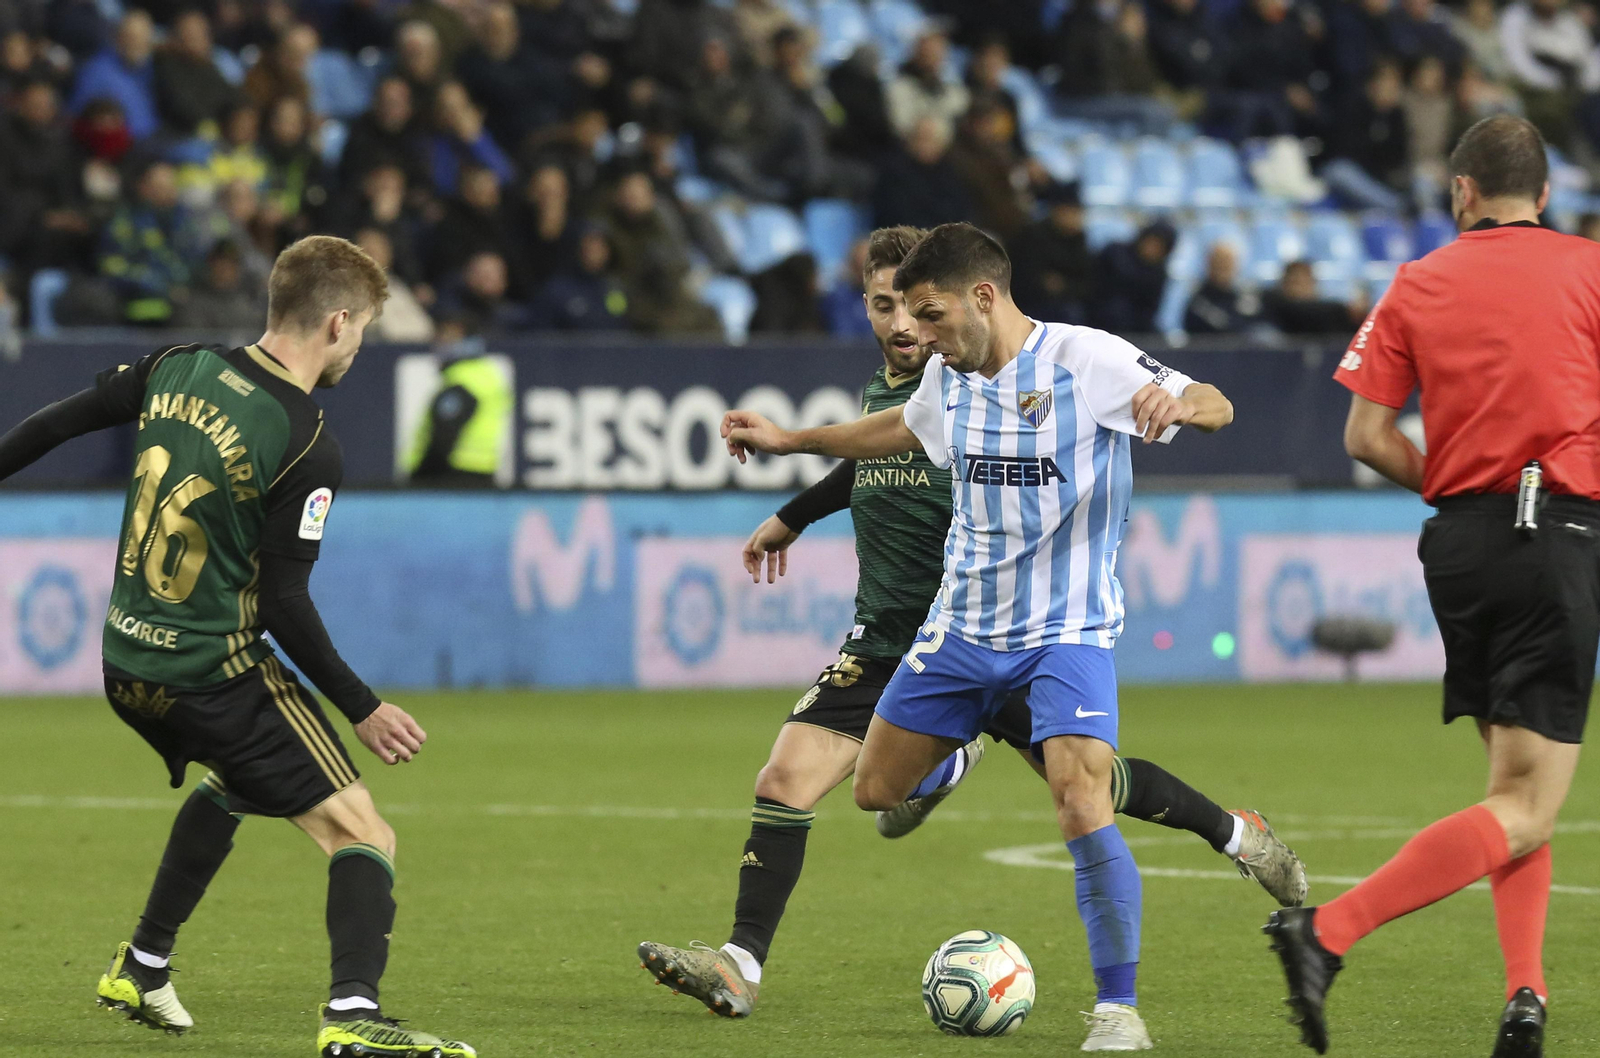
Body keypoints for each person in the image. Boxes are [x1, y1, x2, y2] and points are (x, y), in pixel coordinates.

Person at [717, 222, 1238, 1049]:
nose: (917, 335)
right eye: (905, 317)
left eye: (929, 315)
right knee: (875, 792)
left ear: (982, 299)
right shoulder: (947, 379)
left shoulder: (1085, 360)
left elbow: (1218, 402)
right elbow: (892, 432)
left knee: (1079, 796)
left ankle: (1118, 1010)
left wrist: (1177, 403)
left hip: (1065, 630)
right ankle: (961, 748)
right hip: (960, 627)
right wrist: (791, 440)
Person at [0, 236, 475, 1056]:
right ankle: (354, 1022)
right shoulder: (303, 439)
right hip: (209, 670)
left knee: (240, 777)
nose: (358, 346)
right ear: (336, 323)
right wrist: (361, 706)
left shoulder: (175, 364)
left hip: (125, 663)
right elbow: (286, 601)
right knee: (362, 833)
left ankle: (142, 966)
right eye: (360, 329)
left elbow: (54, 423)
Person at [1265, 116, 1594, 1058]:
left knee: (1513, 788)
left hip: (1458, 543)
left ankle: (1525, 997)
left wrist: (1455, 481)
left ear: (1462, 192)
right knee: (1529, 803)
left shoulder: (1416, 280)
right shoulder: (1590, 270)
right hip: (1555, 534)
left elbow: (1365, 437)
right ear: (1546, 191)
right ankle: (1326, 934)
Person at [405, 338, 513, 486]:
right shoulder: (489, 376)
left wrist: (421, 477)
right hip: (484, 472)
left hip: (452, 476)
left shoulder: (462, 383)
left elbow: (444, 436)